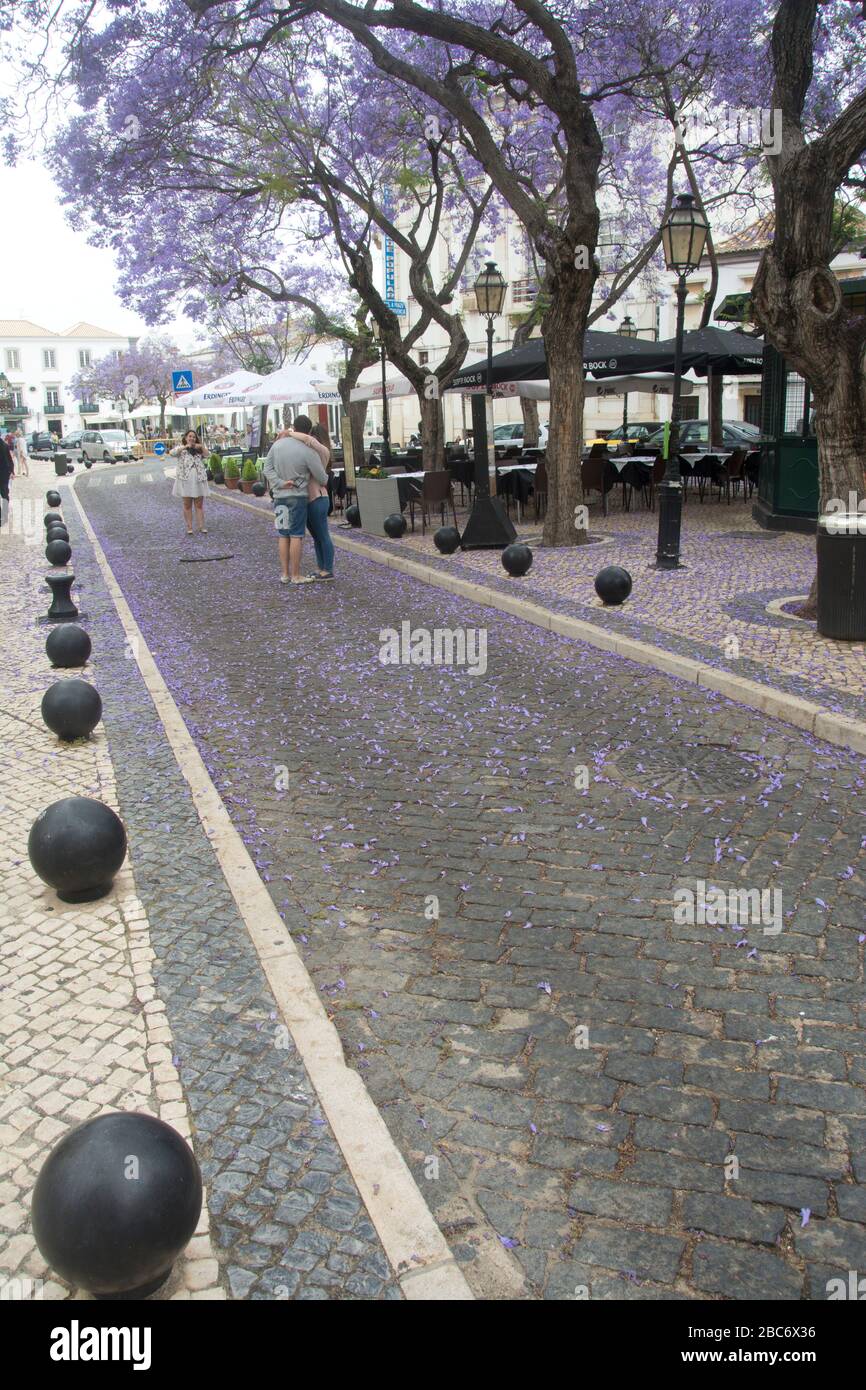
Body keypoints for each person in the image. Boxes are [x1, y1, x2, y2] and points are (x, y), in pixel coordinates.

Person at [262, 414, 329, 585]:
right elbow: (322, 478)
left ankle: (284, 574)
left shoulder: (277, 446)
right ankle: (296, 575)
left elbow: (267, 469)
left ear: (294, 427)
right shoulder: (307, 450)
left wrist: (280, 483)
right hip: (298, 497)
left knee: (283, 534)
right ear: (308, 431)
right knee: (296, 535)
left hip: (279, 497)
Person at [303, 422, 336, 580]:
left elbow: (311, 442)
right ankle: (321, 567)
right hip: (311, 498)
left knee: (323, 535)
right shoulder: (315, 453)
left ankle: (328, 569)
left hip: (318, 497)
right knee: (316, 536)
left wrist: (290, 433)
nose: (310, 441)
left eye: (313, 438)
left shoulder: (322, 452)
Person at [169, 429, 210, 534]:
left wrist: (201, 446)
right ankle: (189, 527)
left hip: (198, 479)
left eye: (194, 437)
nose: (192, 438)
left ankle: (201, 526)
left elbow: (207, 455)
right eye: (190, 436)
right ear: (186, 438)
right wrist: (185, 447)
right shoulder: (181, 449)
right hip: (185, 479)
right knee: (187, 504)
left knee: (199, 504)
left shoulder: (198, 449)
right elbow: (172, 453)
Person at [0, 434, 14, 530]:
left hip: (4, 474)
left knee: (5, 494)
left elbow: (8, 459)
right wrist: (11, 471)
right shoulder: (4, 445)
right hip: (4, 475)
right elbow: (9, 460)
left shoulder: (4, 446)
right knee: (5, 494)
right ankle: (4, 514)